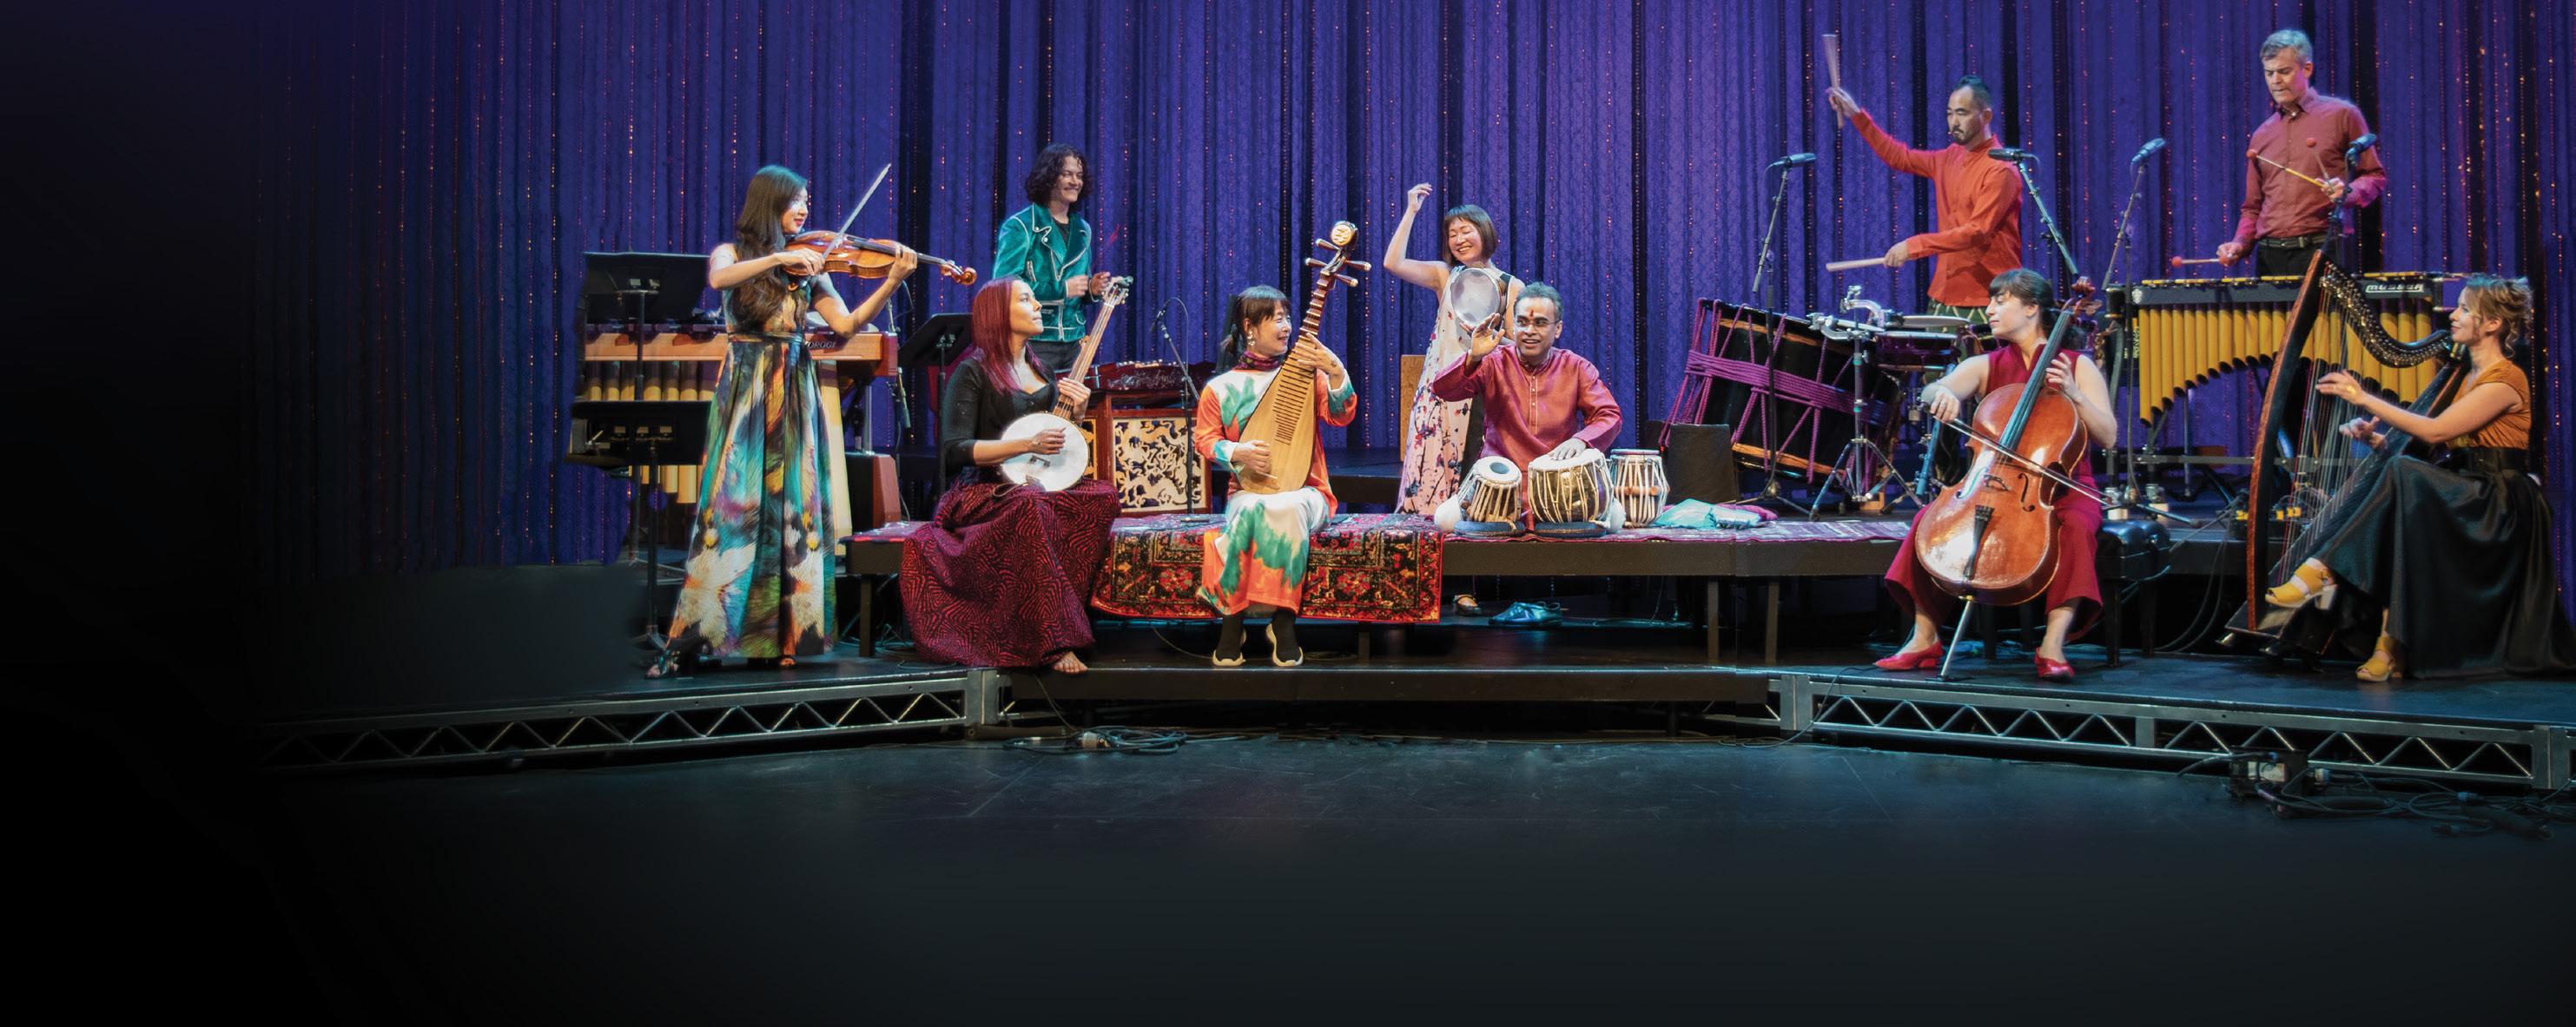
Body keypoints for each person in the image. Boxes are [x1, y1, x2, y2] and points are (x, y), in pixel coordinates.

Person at [664, 165, 919, 675]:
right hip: (747, 389)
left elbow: (846, 324)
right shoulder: (733, 253)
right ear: (770, 202)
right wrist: (780, 257)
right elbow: (717, 279)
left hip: (795, 386)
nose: (805, 209)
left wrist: (891, 281)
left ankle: (786, 635)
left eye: (807, 200)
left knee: (793, 508)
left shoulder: (813, 267)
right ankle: (709, 633)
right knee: (736, 504)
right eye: (796, 200)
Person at [2264, 275, 2576, 680]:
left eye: (2465, 309)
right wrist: (2375, 440)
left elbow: (2436, 432)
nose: (2454, 315)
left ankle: (2323, 572)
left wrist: (2363, 397)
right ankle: (2388, 645)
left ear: (2493, 324)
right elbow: (2443, 445)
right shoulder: (2463, 377)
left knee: (2403, 473)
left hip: (2497, 502)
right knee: (2402, 497)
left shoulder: (2505, 379)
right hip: (2467, 487)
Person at [1878, 270, 2112, 682]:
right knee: (1928, 519)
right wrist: (1942, 394)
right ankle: (1924, 639)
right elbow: (1934, 390)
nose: (1989, 310)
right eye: (1991, 301)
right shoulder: (1985, 364)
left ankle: (2052, 644)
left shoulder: (2077, 366)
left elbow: (2108, 436)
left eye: (2000, 301)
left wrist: (2075, 395)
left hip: (2065, 487)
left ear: (2032, 308)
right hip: (1994, 484)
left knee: (2076, 527)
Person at [898, 278, 1121, 675]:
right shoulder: (972, 370)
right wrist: (1024, 444)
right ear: (999, 313)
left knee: (1101, 496)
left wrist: (1078, 412)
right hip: (984, 490)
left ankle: (1071, 614)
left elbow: (1055, 439)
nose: (1038, 306)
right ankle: (1052, 639)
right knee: (1030, 505)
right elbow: (953, 449)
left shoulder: (1041, 370)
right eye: (1026, 299)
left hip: (1031, 485)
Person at [1192, 286, 1358, 668]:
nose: (1286, 327)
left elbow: (1342, 415)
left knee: (1286, 507)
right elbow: (1205, 441)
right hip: (1247, 490)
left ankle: (1280, 622)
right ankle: (1236, 622)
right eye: (1276, 319)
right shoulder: (1221, 388)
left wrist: (1334, 370)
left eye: (1287, 318)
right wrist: (1238, 452)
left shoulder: (1306, 377)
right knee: (1251, 508)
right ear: (1249, 328)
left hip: (1308, 490)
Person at [1427, 281, 1624, 534]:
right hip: (1501, 482)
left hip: (1561, 483)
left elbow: (1609, 415)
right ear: (1514, 326)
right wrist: (1473, 357)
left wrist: (1582, 440)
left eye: (1540, 323)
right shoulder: (1493, 362)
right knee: (1444, 519)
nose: (1530, 331)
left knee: (1616, 519)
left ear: (1558, 329)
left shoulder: (1576, 368)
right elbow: (1443, 390)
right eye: (1522, 322)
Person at [1826, 75, 2024, 322]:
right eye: (1950, 113)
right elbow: (1899, 157)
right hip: (1944, 293)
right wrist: (1856, 115)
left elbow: (1977, 232)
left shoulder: (2001, 170)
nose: (1954, 122)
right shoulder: (1950, 157)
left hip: (1988, 298)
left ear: (1986, 116)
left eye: (1961, 113)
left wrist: (1914, 246)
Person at [1378, 183, 1519, 516]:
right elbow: (1393, 263)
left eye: (1466, 230)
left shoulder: (1510, 285)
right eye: (1452, 234)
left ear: (1485, 232)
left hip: (1480, 396)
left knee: (1469, 480)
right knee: (1428, 472)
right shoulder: (1446, 276)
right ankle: (1424, 530)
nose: (1459, 239)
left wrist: (1490, 340)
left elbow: (1516, 346)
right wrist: (1411, 211)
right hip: (1439, 390)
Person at [2213, 29, 2388, 277]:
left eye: (2284, 71)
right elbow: (2253, 207)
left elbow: (2374, 176)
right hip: (2269, 255)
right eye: (2269, 73)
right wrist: (2239, 244)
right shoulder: (2262, 134)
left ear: (2307, 69)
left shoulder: (2342, 115)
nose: (2275, 81)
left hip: (2322, 248)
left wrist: (2348, 192)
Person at [992, 143, 1114, 375]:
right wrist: (1061, 289)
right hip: (1035, 339)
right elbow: (1004, 286)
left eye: (1079, 176)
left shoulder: (1083, 229)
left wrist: (1092, 289)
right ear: (1049, 177)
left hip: (1074, 340)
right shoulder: (1021, 226)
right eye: (1067, 174)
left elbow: (1078, 290)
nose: (1075, 182)